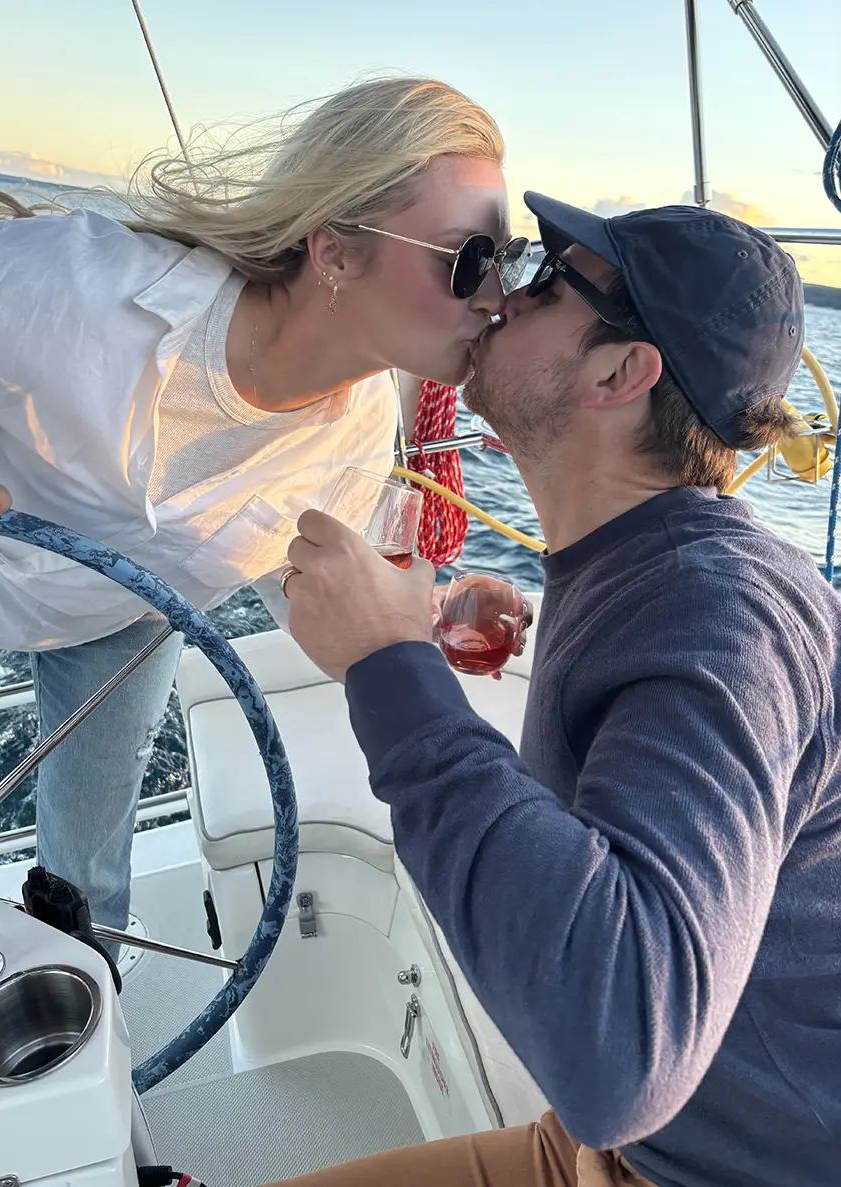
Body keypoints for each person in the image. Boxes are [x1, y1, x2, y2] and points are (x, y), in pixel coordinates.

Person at [0, 77, 529, 945]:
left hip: (128, 617)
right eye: (469, 258)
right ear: (337, 253)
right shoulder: (81, 289)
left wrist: (427, 618)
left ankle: (93, 1021)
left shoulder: (358, 437)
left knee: (88, 886)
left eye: (512, 260)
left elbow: (311, 585)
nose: (497, 296)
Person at [279, 195, 841, 1186]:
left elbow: (621, 1049)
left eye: (545, 281)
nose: (497, 293)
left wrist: (386, 665)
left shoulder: (722, 610)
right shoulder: (641, 563)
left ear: (620, 372)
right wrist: (423, 635)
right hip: (623, 1145)